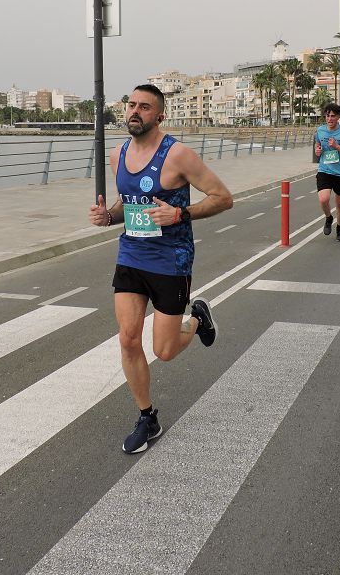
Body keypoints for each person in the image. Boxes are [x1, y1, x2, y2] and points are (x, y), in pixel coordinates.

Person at [89, 83, 233, 454]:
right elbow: (128, 202)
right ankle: (147, 416)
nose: (135, 111)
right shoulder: (118, 155)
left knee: (165, 350)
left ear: (160, 115)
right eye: (131, 105)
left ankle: (198, 319)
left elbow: (223, 198)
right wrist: (108, 217)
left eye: (145, 107)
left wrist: (180, 212)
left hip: (172, 260)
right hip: (132, 256)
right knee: (128, 338)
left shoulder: (178, 155)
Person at [314, 103, 340, 242]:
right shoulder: (320, 131)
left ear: (338, 117)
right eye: (327, 116)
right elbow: (317, 147)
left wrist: (336, 146)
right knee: (323, 199)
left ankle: (339, 226)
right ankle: (328, 217)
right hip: (324, 170)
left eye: (332, 116)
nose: (329, 119)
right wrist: (317, 151)